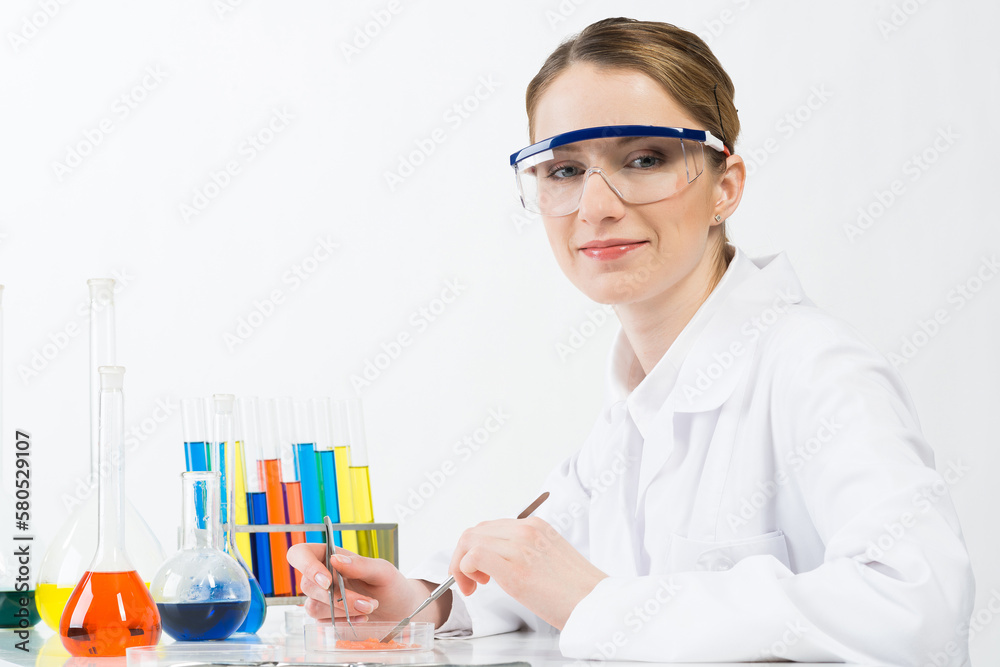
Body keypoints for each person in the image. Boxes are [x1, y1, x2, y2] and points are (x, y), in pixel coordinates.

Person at [289, 17, 975, 664]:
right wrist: (420, 604)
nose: (596, 206)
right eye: (563, 170)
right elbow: (555, 580)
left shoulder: (816, 370)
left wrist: (602, 600)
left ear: (724, 186)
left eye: (643, 158)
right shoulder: (633, 404)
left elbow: (921, 602)